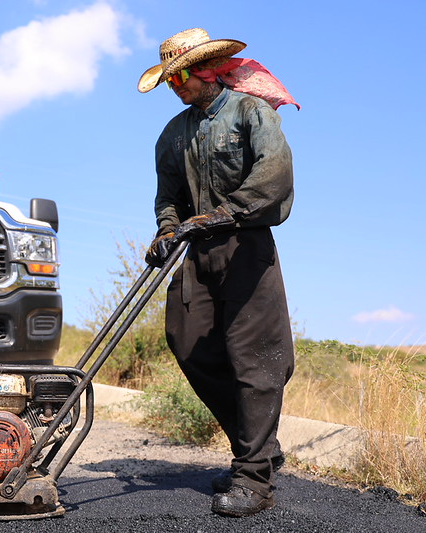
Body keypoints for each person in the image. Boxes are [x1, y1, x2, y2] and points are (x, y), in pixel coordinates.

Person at [139, 28, 298, 517]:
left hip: (247, 246)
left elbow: (274, 177)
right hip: (197, 250)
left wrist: (225, 212)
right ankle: (261, 449)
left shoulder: (252, 112)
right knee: (189, 343)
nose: (175, 85)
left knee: (256, 358)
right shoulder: (173, 133)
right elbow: (168, 198)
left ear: (205, 70)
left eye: (180, 75)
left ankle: (253, 479)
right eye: (169, 79)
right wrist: (167, 229)